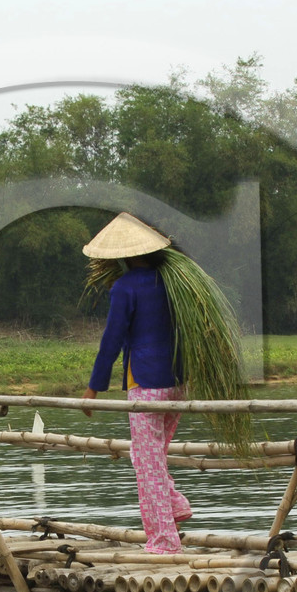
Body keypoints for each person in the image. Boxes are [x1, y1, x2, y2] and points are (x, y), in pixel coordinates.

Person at [79, 213, 192, 553]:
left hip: (145, 384)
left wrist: (93, 388)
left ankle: (163, 541)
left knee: (148, 465)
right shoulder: (172, 281)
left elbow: (111, 340)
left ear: (125, 255)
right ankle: (175, 504)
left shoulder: (124, 287)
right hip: (176, 381)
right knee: (149, 456)